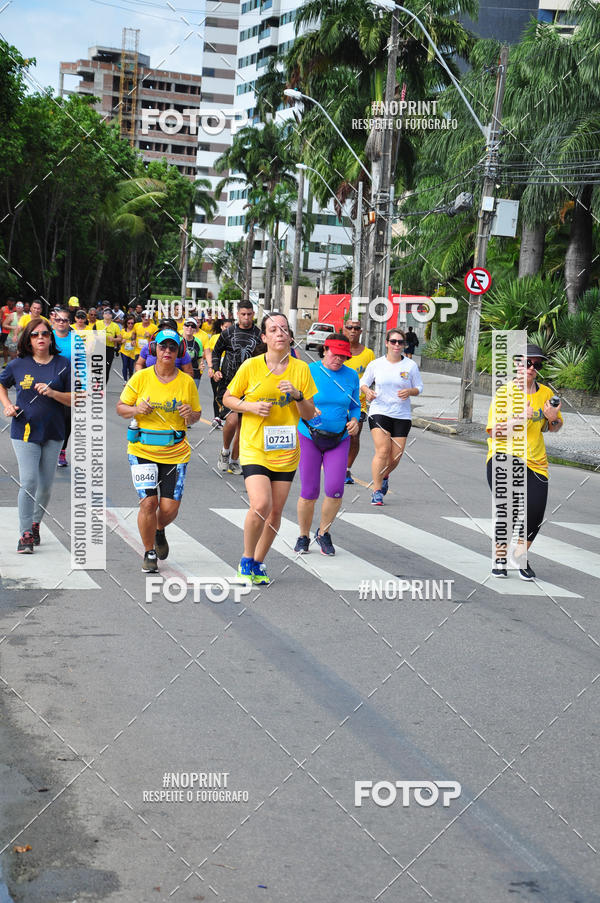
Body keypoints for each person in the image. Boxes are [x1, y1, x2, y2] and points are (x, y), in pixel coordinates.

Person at [223, 313, 317, 585]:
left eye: (284, 330)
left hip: (286, 450)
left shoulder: (300, 370)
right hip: (254, 446)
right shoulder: (251, 367)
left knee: (275, 512)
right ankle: (245, 557)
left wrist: (298, 396)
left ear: (290, 337)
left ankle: (258, 562)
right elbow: (229, 398)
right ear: (264, 338)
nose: (279, 334)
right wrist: (250, 406)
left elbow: (309, 415)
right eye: (273, 330)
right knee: (261, 503)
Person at [117, 328, 202, 573]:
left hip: (176, 453)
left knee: (168, 509)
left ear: (179, 352)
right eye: (163, 347)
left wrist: (191, 415)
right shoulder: (141, 378)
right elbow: (121, 408)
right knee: (148, 504)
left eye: (172, 348)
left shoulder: (186, 382)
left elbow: (197, 415)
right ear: (155, 349)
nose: (167, 351)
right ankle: (149, 552)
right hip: (142, 449)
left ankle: (159, 529)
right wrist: (135, 410)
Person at [486, 343, 563, 580]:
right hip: (503, 456)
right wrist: (520, 416)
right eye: (526, 363)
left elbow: (554, 427)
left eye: (536, 365)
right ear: (517, 364)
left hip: (537, 461)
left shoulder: (546, 394)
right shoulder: (505, 392)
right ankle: (500, 557)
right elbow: (493, 432)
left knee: (535, 512)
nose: (530, 368)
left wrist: (552, 419)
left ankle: (520, 557)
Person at [0, 319, 72, 552]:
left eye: (44, 334)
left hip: (54, 431)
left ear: (51, 338)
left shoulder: (63, 364)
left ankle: (35, 523)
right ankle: (25, 535)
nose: (40, 338)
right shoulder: (18, 365)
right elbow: (1, 384)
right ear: (28, 340)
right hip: (24, 431)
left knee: (46, 486)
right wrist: (7, 405)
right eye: (34, 335)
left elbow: (77, 398)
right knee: (29, 481)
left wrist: (53, 393)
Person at [294, 334, 360, 556]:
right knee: (309, 491)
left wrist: (354, 421)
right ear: (324, 350)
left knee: (335, 489)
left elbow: (355, 406)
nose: (338, 359)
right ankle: (303, 535)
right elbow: (297, 400)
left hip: (339, 439)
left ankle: (323, 533)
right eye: (335, 353)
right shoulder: (309, 370)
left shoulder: (351, 376)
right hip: (309, 436)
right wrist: (309, 407)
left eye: (343, 355)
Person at [360, 328, 424, 506]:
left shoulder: (410, 366)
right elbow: (363, 382)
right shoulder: (376, 364)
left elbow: (419, 387)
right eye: (393, 341)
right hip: (379, 411)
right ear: (387, 343)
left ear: (404, 345)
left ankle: (385, 474)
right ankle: (377, 491)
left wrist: (410, 391)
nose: (397, 345)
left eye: (400, 342)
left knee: (396, 456)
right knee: (382, 451)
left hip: (402, 414)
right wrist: (368, 392)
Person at [212, 300, 262, 475]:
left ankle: (234, 460)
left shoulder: (259, 335)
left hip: (252, 387)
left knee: (244, 426)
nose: (246, 317)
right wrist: (216, 369)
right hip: (229, 385)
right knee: (232, 420)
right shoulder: (228, 333)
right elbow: (216, 351)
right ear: (237, 314)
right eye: (243, 314)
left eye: (249, 314)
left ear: (253, 314)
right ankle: (225, 452)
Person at [342, 318, 375, 484]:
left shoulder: (368, 354)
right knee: (338, 436)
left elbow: (373, 378)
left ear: (361, 331)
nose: (353, 331)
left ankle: (347, 469)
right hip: (338, 403)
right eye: (349, 327)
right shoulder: (339, 351)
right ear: (344, 329)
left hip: (357, 404)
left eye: (356, 328)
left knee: (354, 436)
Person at [52, 309, 74, 467]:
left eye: (65, 320)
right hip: (47, 382)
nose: (61, 322)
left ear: (69, 322)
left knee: (66, 419)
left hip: (69, 385)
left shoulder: (76, 339)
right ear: (54, 320)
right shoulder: (47, 336)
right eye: (58, 320)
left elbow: (82, 362)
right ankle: (45, 450)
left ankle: (62, 450)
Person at [205, 318, 232, 427]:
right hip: (217, 369)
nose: (227, 330)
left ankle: (227, 415)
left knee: (230, 393)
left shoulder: (234, 338)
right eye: (225, 327)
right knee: (217, 394)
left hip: (230, 370)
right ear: (221, 327)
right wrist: (211, 368)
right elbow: (211, 354)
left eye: (230, 328)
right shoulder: (215, 338)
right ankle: (217, 417)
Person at [95, 306, 121, 383]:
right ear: (103, 315)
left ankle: (103, 387)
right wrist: (98, 337)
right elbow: (91, 335)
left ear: (112, 315)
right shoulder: (97, 324)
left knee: (106, 368)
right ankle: (96, 384)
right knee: (97, 368)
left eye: (109, 313)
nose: (107, 315)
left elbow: (120, 339)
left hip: (109, 349)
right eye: (106, 313)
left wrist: (113, 339)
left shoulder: (115, 326)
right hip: (98, 348)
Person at [182, 318, 204, 387]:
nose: (189, 328)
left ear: (195, 329)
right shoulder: (178, 340)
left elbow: (199, 358)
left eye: (192, 326)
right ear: (183, 326)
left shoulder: (198, 342)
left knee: (192, 396)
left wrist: (201, 365)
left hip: (195, 374)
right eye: (187, 325)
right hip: (180, 373)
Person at [118, 313, 138, 381]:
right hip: (124, 351)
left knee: (131, 367)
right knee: (125, 365)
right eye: (128, 323)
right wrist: (121, 341)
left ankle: (130, 380)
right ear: (126, 323)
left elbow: (139, 338)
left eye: (132, 323)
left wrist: (134, 341)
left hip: (132, 351)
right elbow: (119, 340)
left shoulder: (135, 331)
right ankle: (125, 380)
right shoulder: (123, 330)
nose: (130, 325)